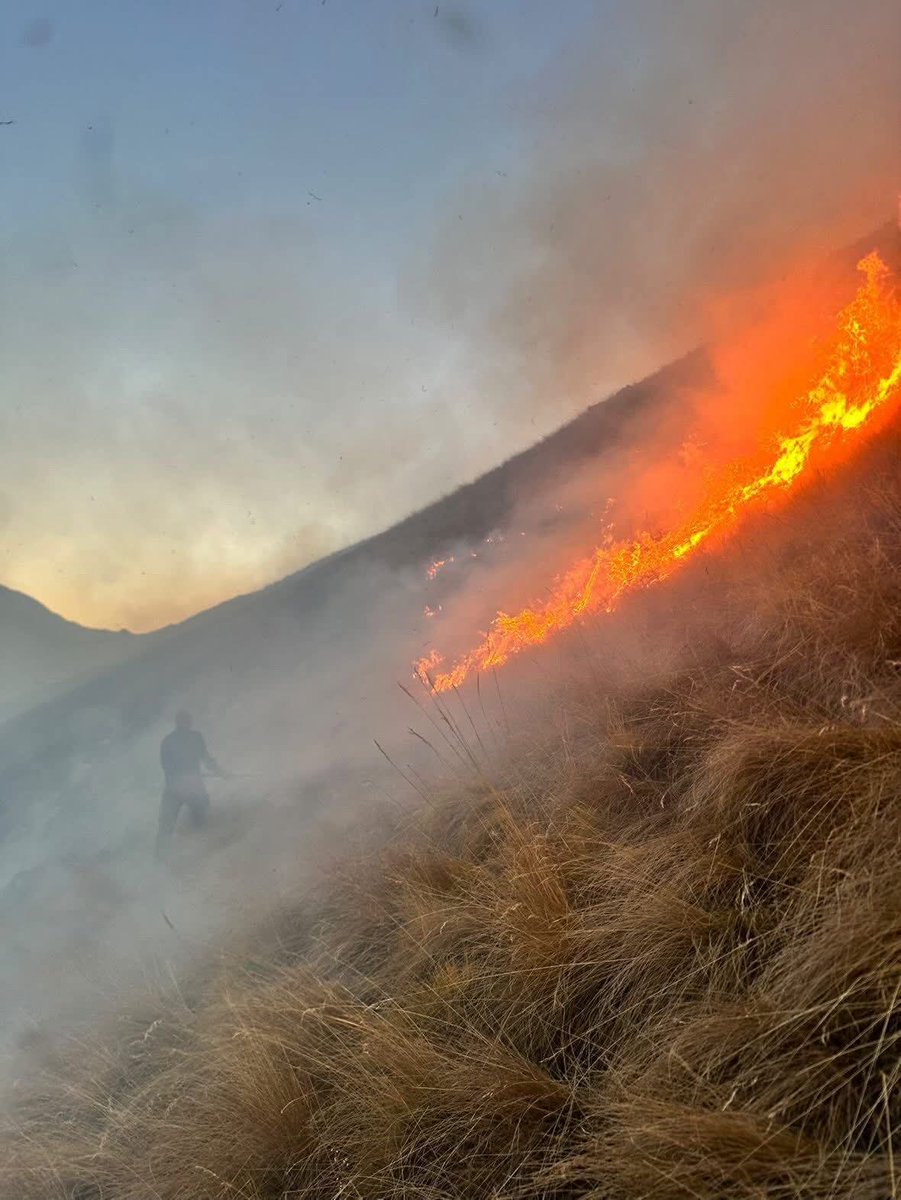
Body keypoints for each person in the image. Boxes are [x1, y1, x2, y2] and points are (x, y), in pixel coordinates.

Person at [155, 710, 225, 858]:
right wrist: (184, 775)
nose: (186, 724)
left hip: (186, 786)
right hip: (178, 787)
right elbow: (167, 767)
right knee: (167, 825)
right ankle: (160, 859)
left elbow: (205, 758)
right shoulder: (171, 741)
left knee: (200, 820)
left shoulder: (194, 737)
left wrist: (221, 772)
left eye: (187, 722)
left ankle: (200, 855)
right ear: (179, 723)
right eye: (184, 721)